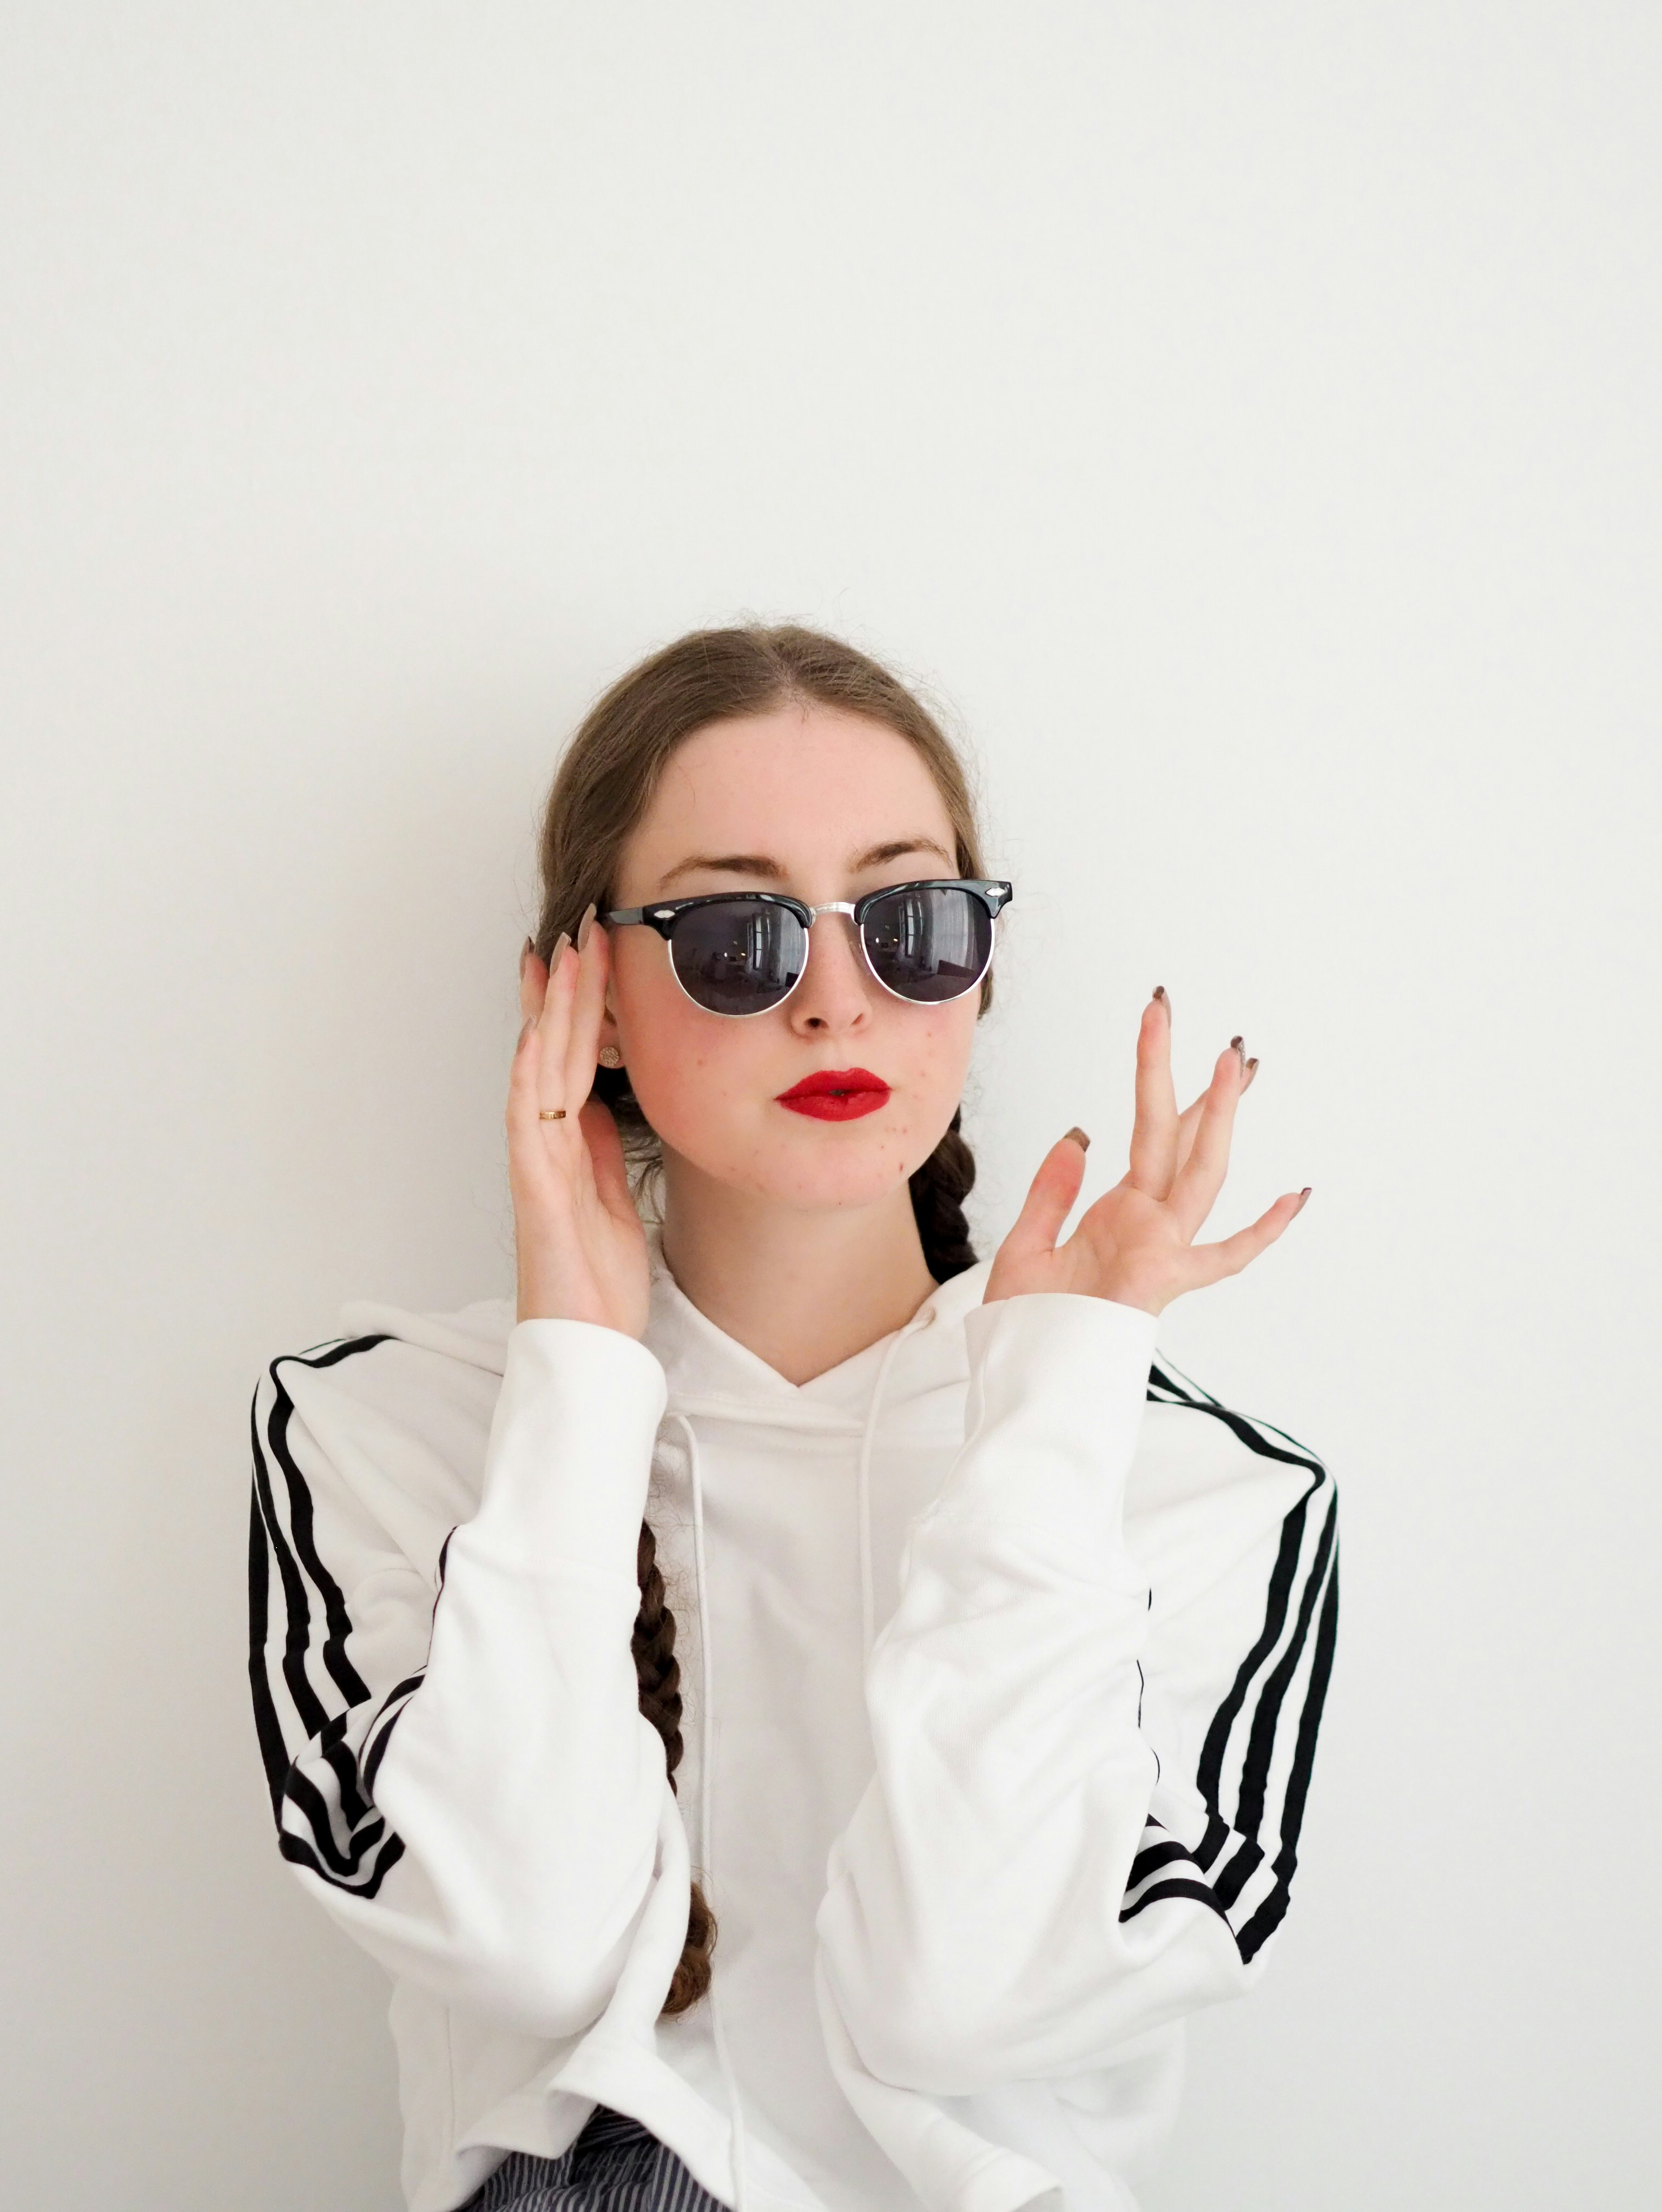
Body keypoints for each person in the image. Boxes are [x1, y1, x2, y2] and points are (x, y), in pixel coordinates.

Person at [248, 623, 1337, 2212]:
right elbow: (530, 1950)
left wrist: (1051, 1415)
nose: (836, 1001)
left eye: (909, 920)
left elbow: (958, 2001)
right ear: (588, 993)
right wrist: (575, 1373)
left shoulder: (1198, 1483)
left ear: (978, 965)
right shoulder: (380, 1427)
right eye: (739, 935)